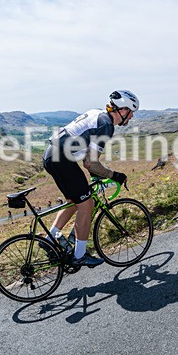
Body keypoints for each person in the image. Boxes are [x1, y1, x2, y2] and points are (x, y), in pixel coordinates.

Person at [42, 90, 139, 267]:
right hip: (62, 159)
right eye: (131, 112)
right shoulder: (106, 125)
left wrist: (97, 173)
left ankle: (49, 240)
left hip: (52, 156)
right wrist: (114, 175)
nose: (132, 116)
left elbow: (88, 157)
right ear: (122, 110)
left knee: (75, 200)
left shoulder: (98, 115)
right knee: (87, 205)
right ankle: (79, 256)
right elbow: (90, 163)